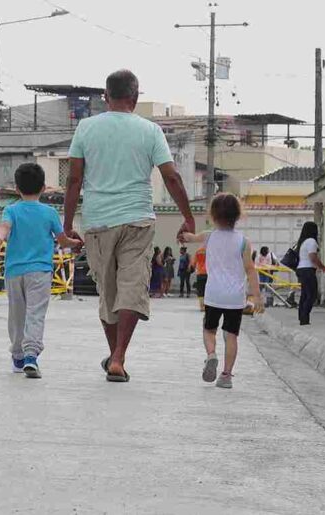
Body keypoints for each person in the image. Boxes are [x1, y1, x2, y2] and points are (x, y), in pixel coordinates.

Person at [64, 70, 195, 383]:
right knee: (132, 288)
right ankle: (118, 357)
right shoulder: (150, 131)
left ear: (105, 97)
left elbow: (73, 179)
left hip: (97, 222)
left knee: (109, 294)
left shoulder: (85, 128)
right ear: (135, 99)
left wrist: (68, 224)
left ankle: (116, 356)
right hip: (137, 220)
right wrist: (187, 217)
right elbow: (172, 177)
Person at [0, 163, 81, 379]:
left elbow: (4, 227)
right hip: (40, 272)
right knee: (35, 314)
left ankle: (18, 356)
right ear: (43, 188)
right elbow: (63, 241)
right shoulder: (50, 213)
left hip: (14, 271)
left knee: (17, 315)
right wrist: (77, 242)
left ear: (17, 189)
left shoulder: (11, 210)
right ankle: (31, 356)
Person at [181, 193, 264, 389]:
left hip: (213, 294)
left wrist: (184, 233)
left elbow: (190, 238)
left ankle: (211, 355)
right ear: (237, 215)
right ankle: (226, 376)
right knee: (231, 335)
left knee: (209, 330)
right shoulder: (244, 241)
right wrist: (257, 296)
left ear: (213, 215)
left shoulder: (209, 236)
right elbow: (250, 269)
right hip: (235, 297)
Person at [295, 222, 325, 325]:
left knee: (305, 295)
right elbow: (313, 257)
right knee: (312, 295)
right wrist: (323, 267)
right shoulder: (311, 241)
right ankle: (304, 318)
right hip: (307, 270)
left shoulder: (303, 242)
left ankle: (302, 317)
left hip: (301, 269)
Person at [193, 245, 208, 311]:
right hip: (208, 273)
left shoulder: (198, 251)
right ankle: (207, 306)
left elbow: (193, 262)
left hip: (199, 273)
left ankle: (202, 307)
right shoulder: (209, 250)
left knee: (201, 290)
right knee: (207, 290)